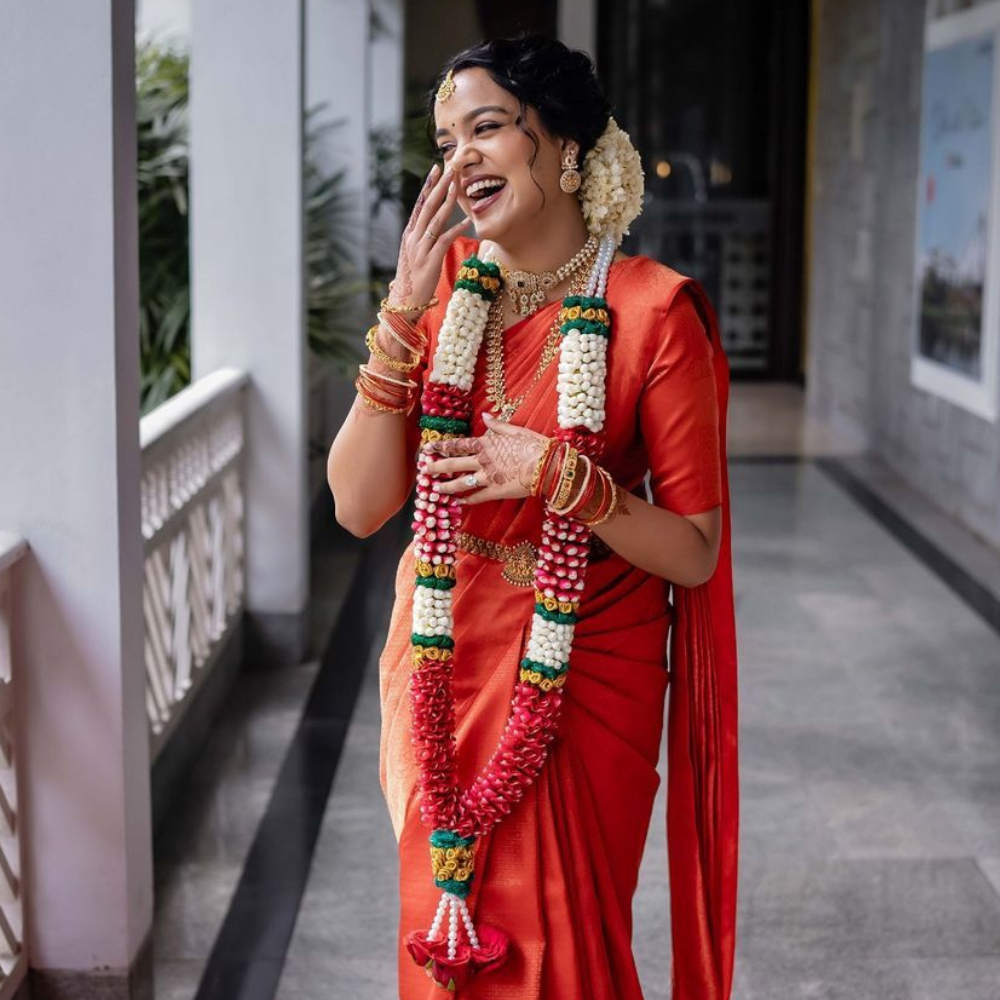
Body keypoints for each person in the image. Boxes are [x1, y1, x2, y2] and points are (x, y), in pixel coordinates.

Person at [327, 35, 738, 1000]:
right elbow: (355, 507)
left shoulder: (652, 313)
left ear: (561, 148)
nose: (461, 157)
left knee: (565, 954)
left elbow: (696, 552)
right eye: (445, 140)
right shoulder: (443, 303)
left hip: (586, 669)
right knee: (444, 948)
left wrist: (565, 477)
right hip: (444, 663)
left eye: (487, 129)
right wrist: (398, 310)